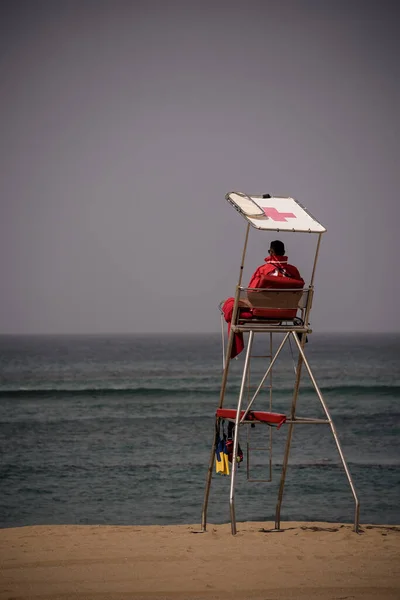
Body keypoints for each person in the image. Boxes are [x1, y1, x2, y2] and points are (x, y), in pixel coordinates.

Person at [221, 240, 304, 357]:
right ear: (284, 252)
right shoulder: (294, 271)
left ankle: (232, 351)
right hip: (287, 313)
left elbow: (251, 293)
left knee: (229, 304)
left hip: (262, 311)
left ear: (270, 252)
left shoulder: (263, 270)